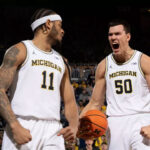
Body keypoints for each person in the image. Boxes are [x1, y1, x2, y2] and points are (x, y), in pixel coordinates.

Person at [0, 8, 79, 150]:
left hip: (53, 130)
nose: (62, 31)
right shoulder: (20, 50)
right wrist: (14, 125)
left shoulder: (62, 61)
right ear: (48, 24)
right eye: (60, 26)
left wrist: (73, 126)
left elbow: (70, 101)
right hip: (22, 123)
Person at [80, 19, 150, 150]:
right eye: (110, 35)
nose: (113, 38)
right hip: (114, 124)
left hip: (142, 120)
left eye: (117, 34)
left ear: (128, 37)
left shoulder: (144, 61)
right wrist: (79, 124)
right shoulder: (103, 66)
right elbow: (95, 103)